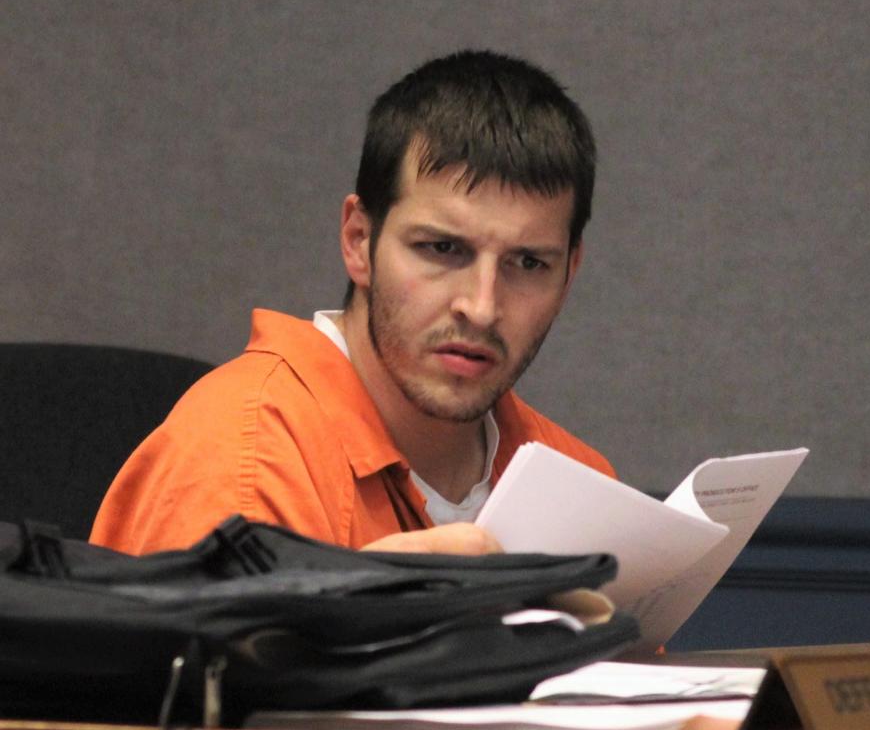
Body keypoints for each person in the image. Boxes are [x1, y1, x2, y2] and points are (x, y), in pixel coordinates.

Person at [90, 50, 615, 556]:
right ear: (359, 241)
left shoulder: (582, 486)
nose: (481, 308)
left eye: (527, 264)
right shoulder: (242, 463)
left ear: (569, 273)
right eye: (442, 249)